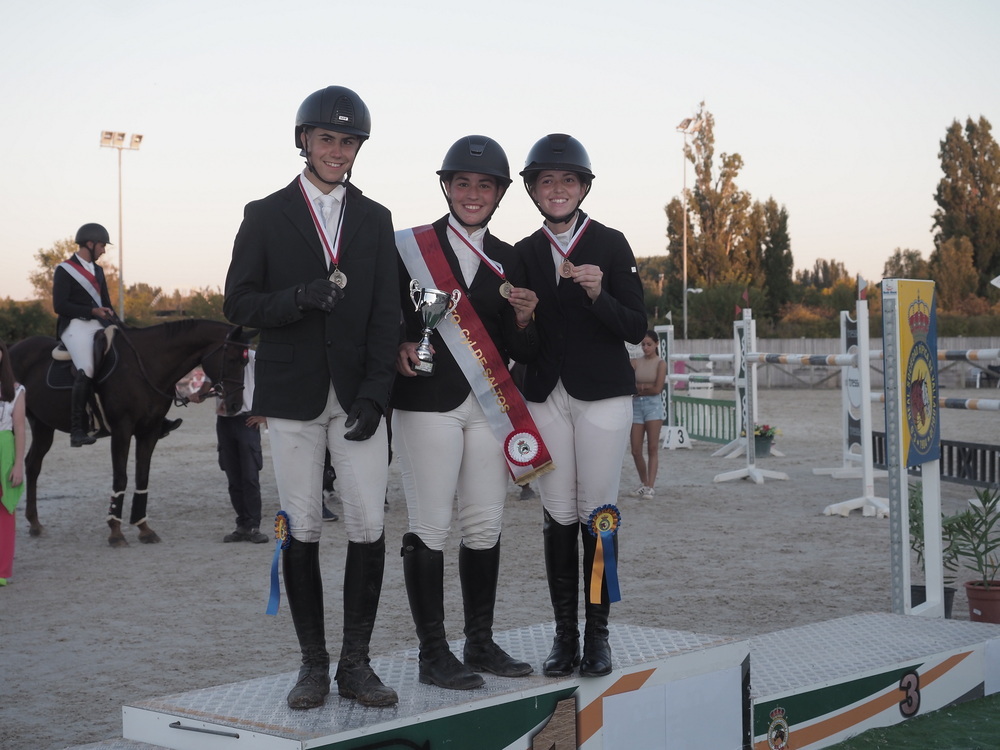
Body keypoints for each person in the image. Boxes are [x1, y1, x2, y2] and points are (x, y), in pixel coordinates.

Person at [223, 85, 400, 710]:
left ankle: (356, 663)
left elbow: (387, 315)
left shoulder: (376, 220)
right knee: (301, 525)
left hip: (357, 395)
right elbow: (238, 304)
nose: (338, 150)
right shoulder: (265, 214)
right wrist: (298, 297)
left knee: (368, 524)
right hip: (293, 392)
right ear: (304, 141)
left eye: (348, 141)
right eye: (327, 139)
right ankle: (312, 664)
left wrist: (378, 394)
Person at [393, 136, 543, 690]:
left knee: (485, 523)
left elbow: (523, 352)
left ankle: (478, 641)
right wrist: (395, 348)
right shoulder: (408, 246)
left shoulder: (512, 257)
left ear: (501, 192)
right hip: (426, 401)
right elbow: (384, 318)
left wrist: (526, 320)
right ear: (446, 186)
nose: (474, 194)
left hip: (489, 407)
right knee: (430, 524)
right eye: (463, 183)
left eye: (486, 185)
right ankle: (433, 652)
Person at [515, 134, 646, 678]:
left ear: (584, 187)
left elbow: (635, 328)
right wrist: (520, 320)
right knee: (557, 514)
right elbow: (518, 348)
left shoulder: (611, 244)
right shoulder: (521, 253)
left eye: (568, 180)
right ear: (533, 189)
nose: (558, 189)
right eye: (547, 180)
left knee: (598, 512)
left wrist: (599, 295)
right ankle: (563, 637)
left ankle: (599, 637)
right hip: (546, 394)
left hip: (602, 396)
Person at [190, 350, 269, 543]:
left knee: (250, 477)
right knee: (233, 476)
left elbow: (270, 383)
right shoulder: (217, 361)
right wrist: (197, 395)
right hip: (224, 421)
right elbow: (206, 388)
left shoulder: (253, 357)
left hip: (247, 420)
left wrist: (265, 415)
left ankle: (253, 526)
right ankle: (242, 524)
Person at [53, 223, 115, 447]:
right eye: (102, 246)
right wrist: (91, 311)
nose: (104, 251)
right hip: (74, 326)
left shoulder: (98, 271)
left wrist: (113, 316)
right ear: (90, 244)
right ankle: (78, 429)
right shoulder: (64, 269)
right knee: (87, 368)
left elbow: (105, 303)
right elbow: (59, 305)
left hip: (98, 323)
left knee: (127, 349)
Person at [0, 339, 26, 586]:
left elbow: (20, 429)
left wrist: (18, 464)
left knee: (4, 510)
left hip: (4, 450)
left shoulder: (15, 390)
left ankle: (1, 570)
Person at [630, 331, 667, 497]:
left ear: (656, 344)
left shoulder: (661, 363)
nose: (645, 347)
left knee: (652, 447)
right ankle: (644, 482)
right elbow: (630, 384)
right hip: (636, 406)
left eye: (649, 344)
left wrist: (640, 388)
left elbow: (657, 389)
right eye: (643, 344)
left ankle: (651, 485)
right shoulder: (636, 362)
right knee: (636, 449)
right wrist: (644, 388)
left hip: (653, 406)